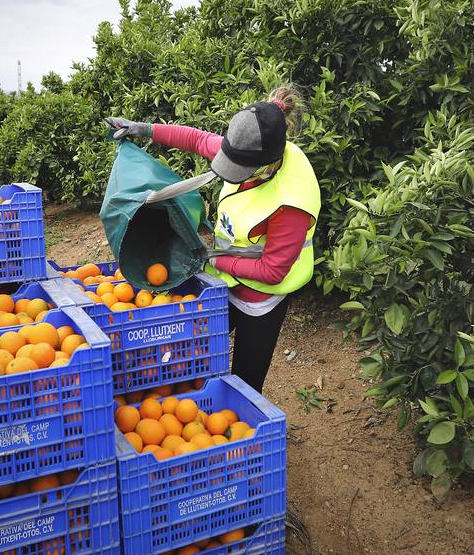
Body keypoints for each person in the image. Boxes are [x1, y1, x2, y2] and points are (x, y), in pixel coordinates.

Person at [106, 86, 320, 393]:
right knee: (194, 360)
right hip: (224, 284)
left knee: (245, 382)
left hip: (260, 298)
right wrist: (145, 129)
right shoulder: (248, 149)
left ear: (267, 164)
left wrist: (214, 258)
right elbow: (194, 138)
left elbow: (273, 271)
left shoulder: (291, 204)